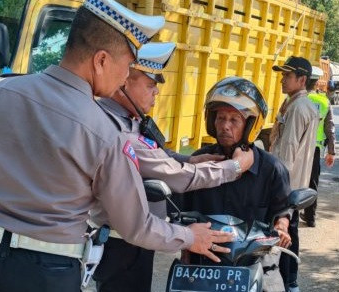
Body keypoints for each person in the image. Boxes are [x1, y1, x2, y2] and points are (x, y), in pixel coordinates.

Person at [0, 1, 234, 291]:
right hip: (49, 272)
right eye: (127, 65)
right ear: (101, 60)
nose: (126, 76)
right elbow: (135, 226)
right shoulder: (105, 132)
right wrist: (187, 236)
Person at [90, 43, 255, 292]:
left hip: (133, 239)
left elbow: (158, 155)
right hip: (122, 244)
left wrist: (189, 159)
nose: (156, 92)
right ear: (125, 82)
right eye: (150, 85)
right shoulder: (119, 129)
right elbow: (179, 178)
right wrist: (234, 166)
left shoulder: (129, 121)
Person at [180, 76, 292, 291]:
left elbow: (283, 208)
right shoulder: (199, 161)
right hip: (204, 261)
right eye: (220, 118)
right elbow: (182, 208)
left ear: (251, 125)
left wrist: (281, 226)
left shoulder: (271, 168)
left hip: (255, 261)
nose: (225, 126)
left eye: (234, 120)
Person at [269, 56, 319, 292]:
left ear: (302, 79)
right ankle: (291, 281)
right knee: (291, 232)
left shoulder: (298, 108)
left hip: (286, 184)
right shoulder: (302, 104)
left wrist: (274, 184)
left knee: (284, 234)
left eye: (287, 76)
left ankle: (288, 281)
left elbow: (287, 151)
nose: (282, 80)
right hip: (295, 183)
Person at [299, 66, 336, 227]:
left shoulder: (296, 99)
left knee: (293, 181)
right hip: (314, 150)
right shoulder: (324, 101)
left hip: (297, 149)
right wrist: (331, 152)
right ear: (316, 83)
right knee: (312, 183)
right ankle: (311, 217)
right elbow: (330, 128)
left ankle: (287, 216)